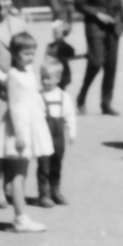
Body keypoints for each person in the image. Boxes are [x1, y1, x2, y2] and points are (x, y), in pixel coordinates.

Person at [0, 32, 53, 233]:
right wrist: (18, 134)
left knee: (21, 175)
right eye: (26, 53)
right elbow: (15, 105)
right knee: (19, 175)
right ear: (15, 54)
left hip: (30, 123)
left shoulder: (27, 72)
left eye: (32, 53)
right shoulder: (15, 75)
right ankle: (20, 218)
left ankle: (21, 215)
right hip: (20, 128)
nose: (30, 57)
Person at [0, 0, 28, 208]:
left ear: (11, 1)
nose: (1, 4)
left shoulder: (20, 24)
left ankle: (14, 184)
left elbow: (27, 54)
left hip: (17, 88)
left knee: (15, 134)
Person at [76, 0, 123, 115]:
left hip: (113, 28)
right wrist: (97, 14)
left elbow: (117, 3)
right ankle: (82, 96)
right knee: (96, 62)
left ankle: (106, 103)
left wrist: (121, 21)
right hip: (95, 26)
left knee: (111, 65)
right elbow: (79, 3)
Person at [37, 58, 76, 206]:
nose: (45, 81)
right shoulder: (39, 96)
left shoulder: (63, 97)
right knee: (44, 166)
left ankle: (55, 191)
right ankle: (43, 194)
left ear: (58, 79)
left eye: (48, 78)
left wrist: (71, 132)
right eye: (42, 78)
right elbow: (36, 117)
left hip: (58, 138)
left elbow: (69, 116)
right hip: (43, 136)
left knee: (56, 164)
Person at [45, 20, 76, 90]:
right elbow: (46, 58)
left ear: (64, 33)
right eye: (54, 32)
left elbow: (72, 57)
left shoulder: (67, 47)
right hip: (51, 71)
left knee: (61, 89)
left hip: (63, 72)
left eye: (57, 32)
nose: (55, 34)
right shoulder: (50, 46)